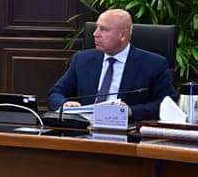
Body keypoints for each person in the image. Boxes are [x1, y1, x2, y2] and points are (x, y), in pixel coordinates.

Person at [47, 8, 176, 121]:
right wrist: (65, 104)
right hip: (83, 130)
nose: (95, 34)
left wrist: (130, 111)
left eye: (103, 29)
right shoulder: (82, 59)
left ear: (122, 35)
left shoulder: (153, 64)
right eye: (97, 27)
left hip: (127, 132)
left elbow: (168, 104)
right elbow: (55, 94)